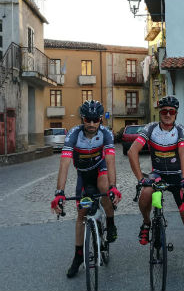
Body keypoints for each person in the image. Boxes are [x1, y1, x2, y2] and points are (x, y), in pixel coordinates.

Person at [127, 95, 184, 287]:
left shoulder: (180, 130)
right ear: (159, 113)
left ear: (176, 114)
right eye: (164, 111)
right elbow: (132, 151)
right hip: (157, 175)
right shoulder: (150, 129)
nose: (167, 115)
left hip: (177, 176)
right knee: (146, 192)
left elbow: (183, 155)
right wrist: (141, 179)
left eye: (171, 112)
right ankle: (147, 223)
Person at [51, 100, 121, 278]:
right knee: (81, 215)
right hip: (83, 174)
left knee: (104, 187)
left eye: (95, 120)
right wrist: (59, 192)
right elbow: (65, 163)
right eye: (87, 119)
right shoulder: (74, 134)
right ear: (82, 119)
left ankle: (110, 223)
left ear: (100, 120)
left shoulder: (106, 134)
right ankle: (78, 256)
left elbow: (111, 160)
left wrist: (113, 188)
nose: (91, 124)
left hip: (100, 168)